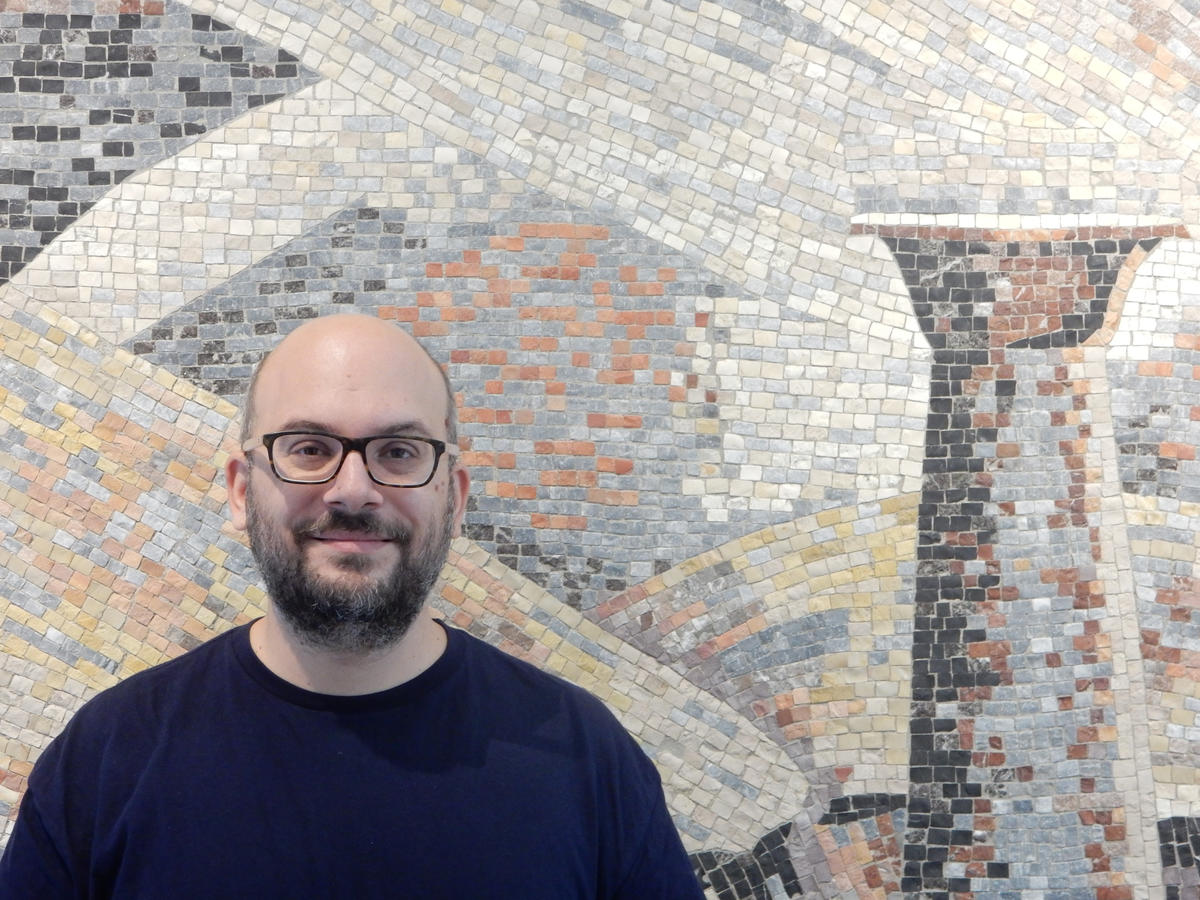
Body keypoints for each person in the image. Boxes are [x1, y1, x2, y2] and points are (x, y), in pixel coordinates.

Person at [0, 314, 705, 899]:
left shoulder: (585, 757)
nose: (353, 489)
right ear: (242, 490)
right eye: (309, 448)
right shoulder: (108, 756)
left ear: (455, 498)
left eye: (399, 452)